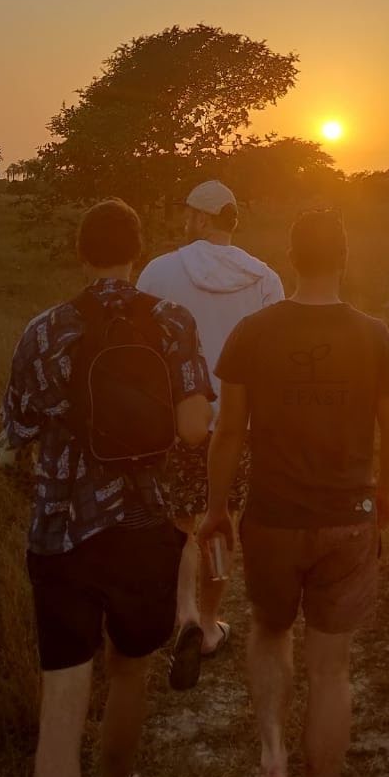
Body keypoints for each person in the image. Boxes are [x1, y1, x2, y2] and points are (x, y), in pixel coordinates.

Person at [0, 197, 214, 777]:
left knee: (60, 706)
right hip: (146, 531)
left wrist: (38, 489)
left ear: (82, 253)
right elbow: (195, 428)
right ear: (136, 251)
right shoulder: (173, 323)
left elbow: (13, 440)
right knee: (127, 673)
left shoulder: (44, 329)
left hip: (61, 534)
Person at [199, 210, 389, 777]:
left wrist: (215, 511)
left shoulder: (253, 331)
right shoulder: (374, 335)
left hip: (271, 518)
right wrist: (384, 495)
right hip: (348, 521)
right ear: (343, 258)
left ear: (291, 258)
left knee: (267, 630)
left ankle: (272, 764)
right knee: (332, 671)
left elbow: (229, 432)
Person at [136, 179, 283, 673]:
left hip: (176, 421)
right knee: (220, 523)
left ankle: (185, 616)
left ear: (199, 218)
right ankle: (214, 620)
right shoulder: (264, 278)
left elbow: (142, 348)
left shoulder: (159, 271)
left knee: (182, 520)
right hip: (235, 428)